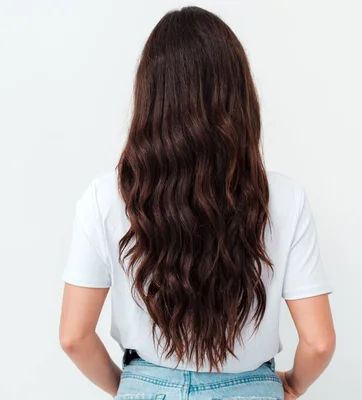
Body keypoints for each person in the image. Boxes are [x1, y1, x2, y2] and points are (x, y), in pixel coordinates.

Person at [59, 6, 335, 400]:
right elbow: (320, 342)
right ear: (239, 96)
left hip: (145, 387)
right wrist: (293, 385)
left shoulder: (105, 196)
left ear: (151, 98)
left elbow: (73, 336)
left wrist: (130, 388)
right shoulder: (286, 198)